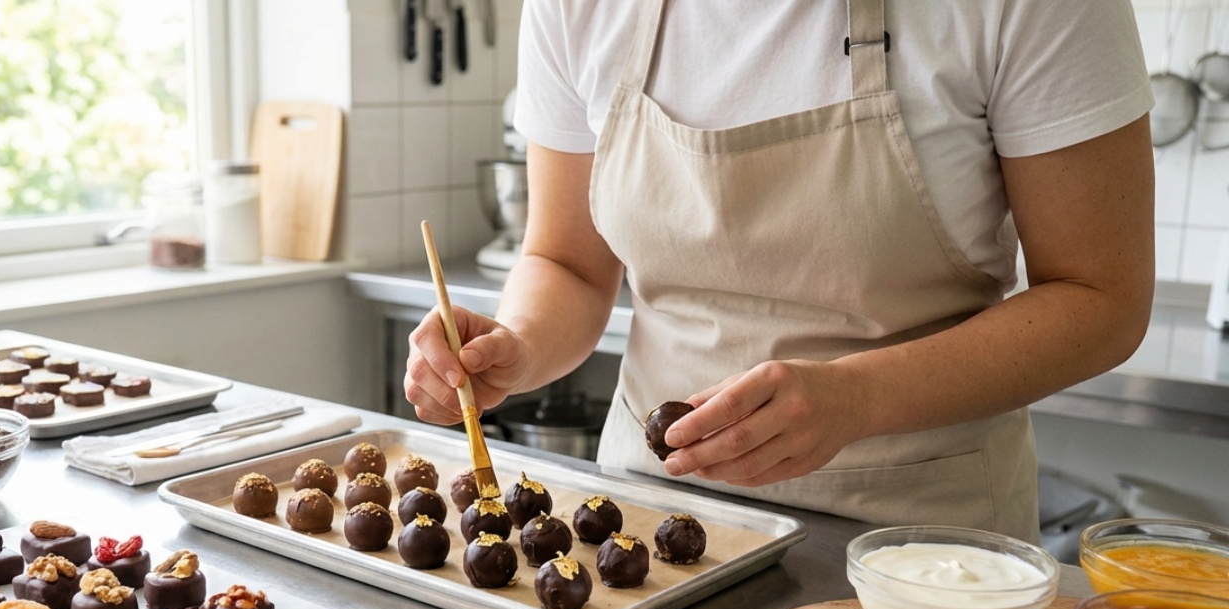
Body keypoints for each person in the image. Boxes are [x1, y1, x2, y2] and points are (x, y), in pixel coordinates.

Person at [404, 0, 1154, 543]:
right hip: (644, 523)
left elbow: (1100, 297)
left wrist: (855, 399)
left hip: (918, 550)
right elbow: (565, 261)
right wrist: (517, 344)